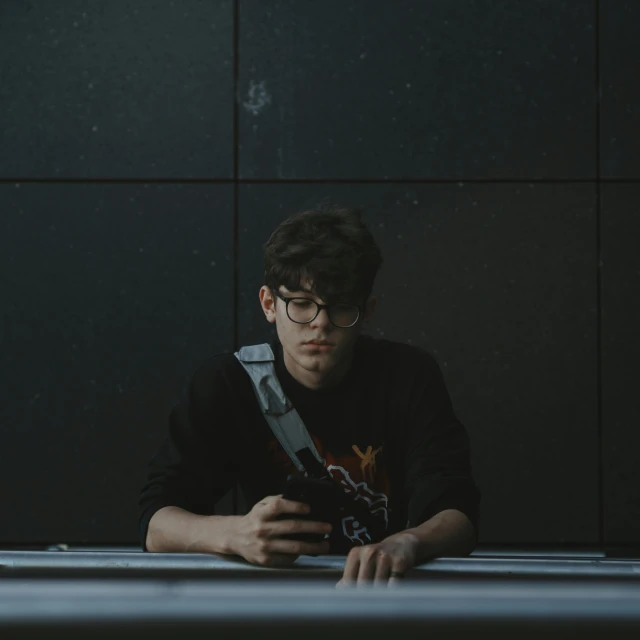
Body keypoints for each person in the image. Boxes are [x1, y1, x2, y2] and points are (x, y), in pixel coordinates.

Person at [139, 204, 480, 585]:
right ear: (270, 304)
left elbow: (458, 515)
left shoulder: (408, 376)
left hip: (386, 595)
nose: (320, 323)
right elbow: (157, 523)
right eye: (301, 304)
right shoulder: (228, 383)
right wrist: (235, 535)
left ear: (366, 311)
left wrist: (407, 543)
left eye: (340, 308)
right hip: (274, 599)